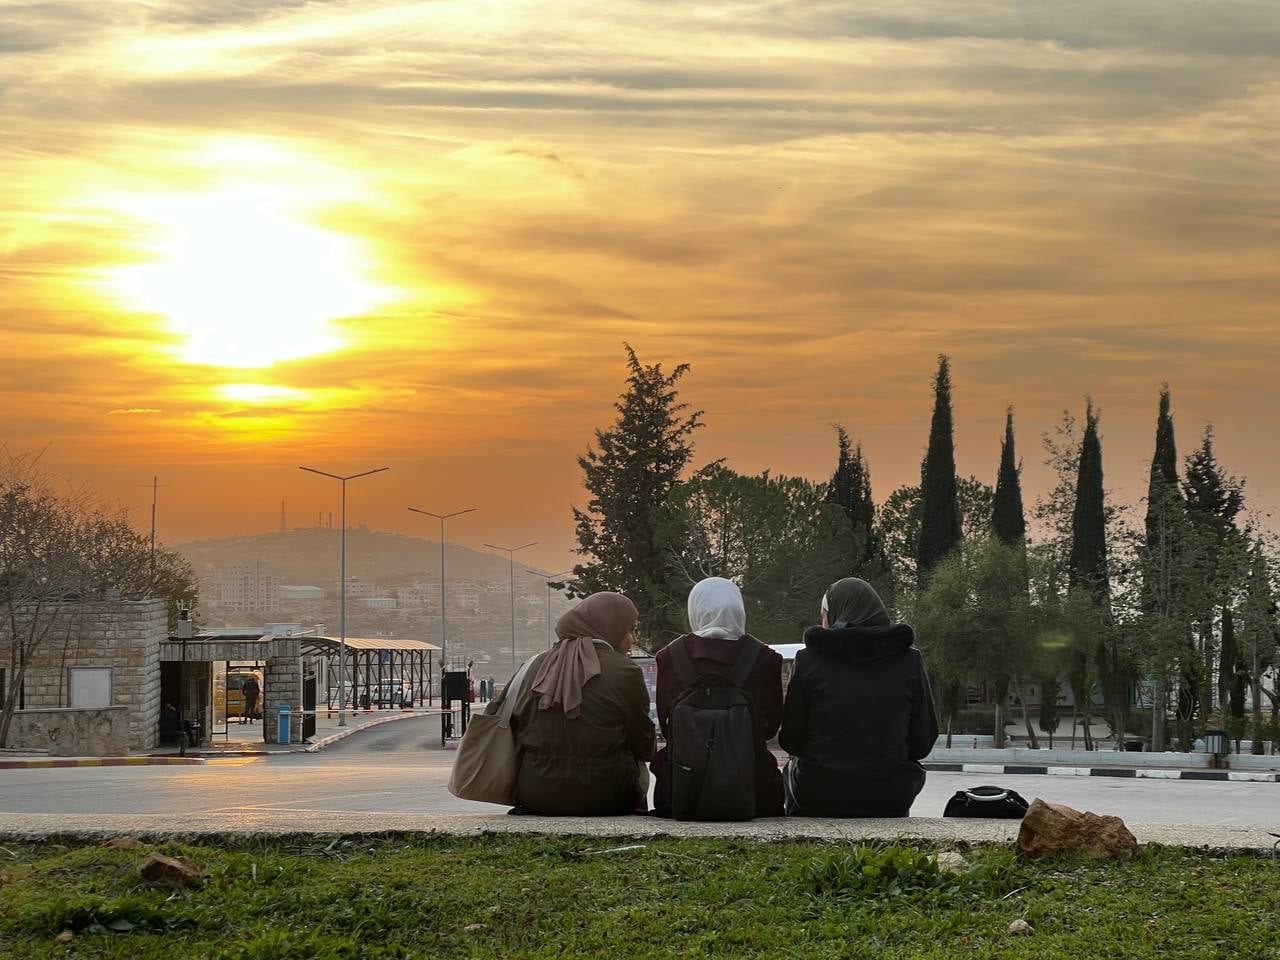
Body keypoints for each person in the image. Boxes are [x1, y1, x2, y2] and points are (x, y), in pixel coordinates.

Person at [780, 577, 939, 817]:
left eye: (825, 616)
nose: (823, 624)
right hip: (891, 793)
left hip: (819, 792)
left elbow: (791, 740)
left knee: (793, 769)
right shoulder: (909, 661)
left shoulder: (809, 661)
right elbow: (923, 740)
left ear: (837, 615)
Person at [492, 591, 655, 816]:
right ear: (612, 627)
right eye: (631, 630)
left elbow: (501, 719)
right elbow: (645, 747)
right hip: (609, 796)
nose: (633, 640)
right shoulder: (625, 671)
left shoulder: (533, 665)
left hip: (536, 794)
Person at [651, 577, 784, 818]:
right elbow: (770, 728)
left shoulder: (669, 657)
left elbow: (666, 725)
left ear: (695, 609)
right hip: (755, 792)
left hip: (681, 791)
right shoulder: (766, 659)